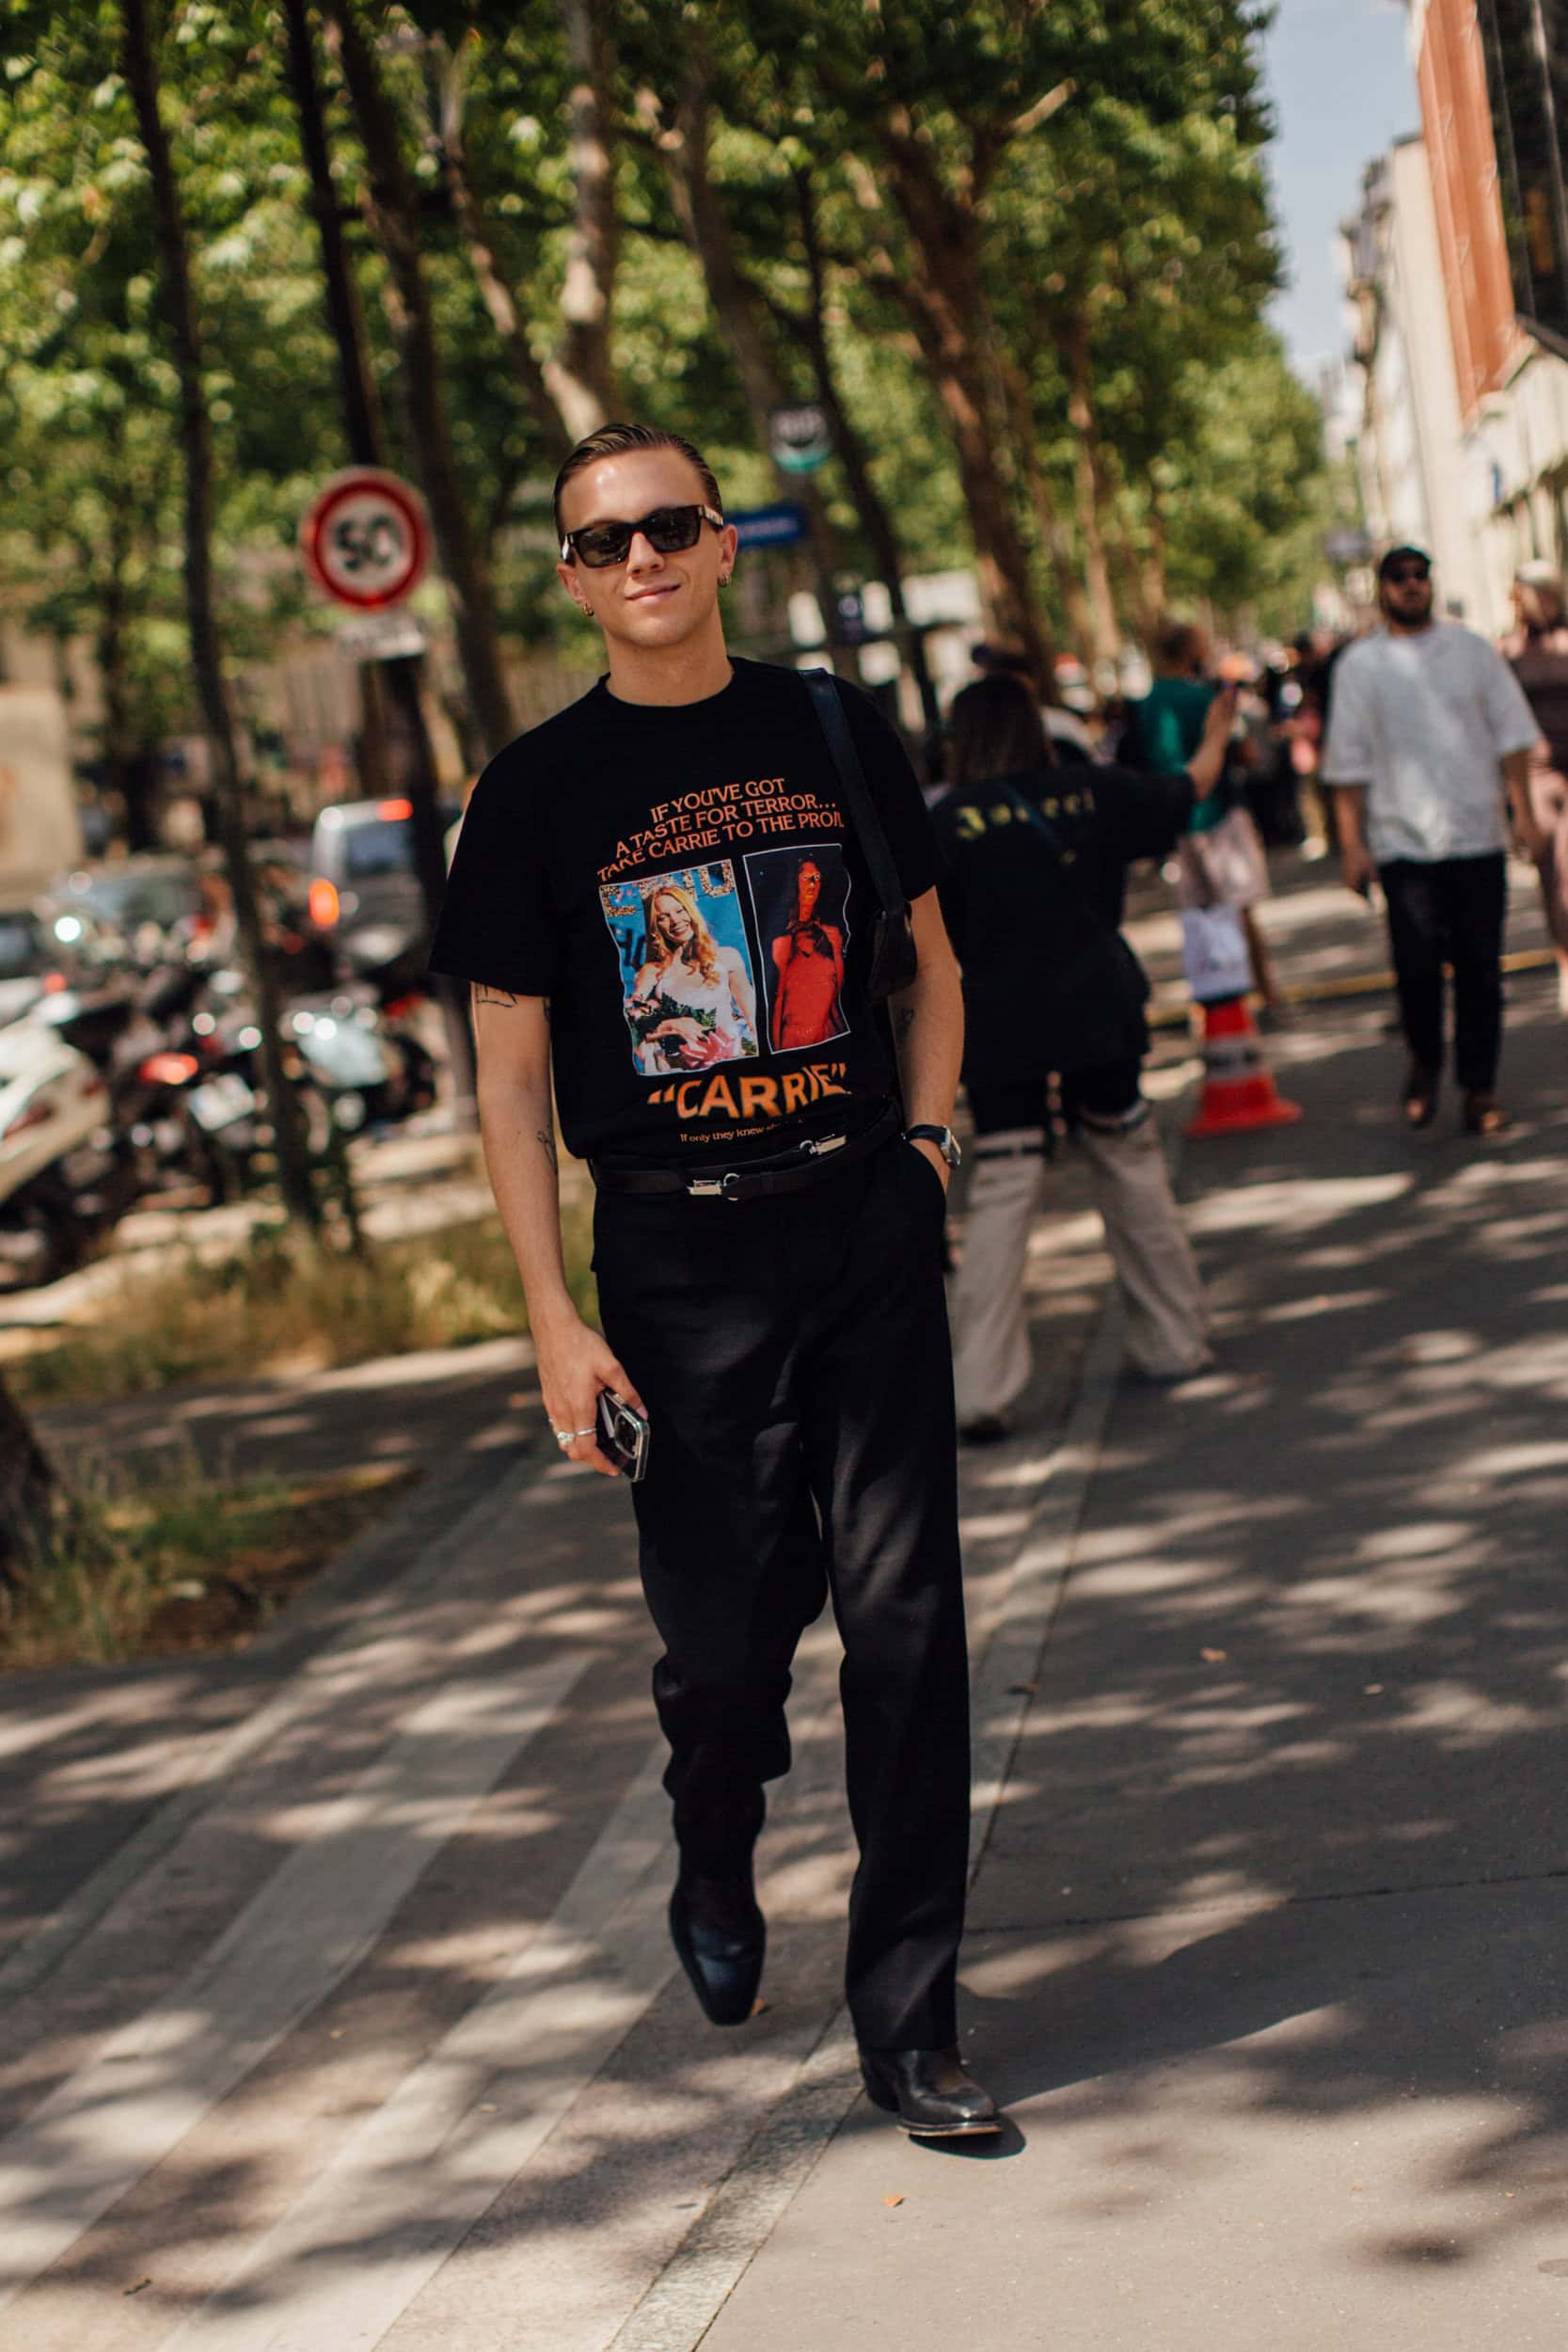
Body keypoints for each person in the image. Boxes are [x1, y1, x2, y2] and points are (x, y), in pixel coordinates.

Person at [430, 421, 997, 2140]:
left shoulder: (828, 727)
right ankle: (712, 1835)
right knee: (727, 1649)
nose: (641, 559)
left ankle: (910, 2026)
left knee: (906, 1629)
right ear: (569, 579)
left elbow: (930, 967)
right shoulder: (531, 795)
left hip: (859, 1227)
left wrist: (922, 1152)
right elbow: (509, 1087)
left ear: (723, 541)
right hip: (674, 1265)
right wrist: (551, 1317)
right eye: (602, 541)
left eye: (668, 526)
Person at [933, 673, 1234, 1438]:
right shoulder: (1095, 790)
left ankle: (979, 1386)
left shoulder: (947, 822)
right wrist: (1217, 731)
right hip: (1098, 1007)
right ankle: (1173, 1340)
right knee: (1127, 1161)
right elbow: (1188, 788)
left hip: (999, 1022)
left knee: (1004, 1188)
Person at [1321, 544, 1540, 1134]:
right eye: (1399, 576)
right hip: (1402, 843)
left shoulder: (1472, 651)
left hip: (1477, 835)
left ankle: (1479, 1089)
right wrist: (1352, 846)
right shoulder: (1360, 666)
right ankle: (1425, 1060)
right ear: (1382, 588)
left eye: (1420, 574)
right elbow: (1347, 764)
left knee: (1480, 969)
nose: (1412, 584)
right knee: (1417, 968)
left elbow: (1513, 735)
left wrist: (1523, 813)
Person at [1136, 619, 1282, 1016]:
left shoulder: (1148, 702)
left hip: (1176, 818)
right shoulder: (1206, 698)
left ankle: (1216, 1005)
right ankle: (1264, 992)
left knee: (1198, 917)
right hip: (1217, 812)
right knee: (1239, 908)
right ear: (1190, 650)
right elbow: (1246, 752)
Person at [1501, 559, 1568, 1015]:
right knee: (1551, 877)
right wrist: (1512, 804)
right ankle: (1564, 962)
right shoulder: (1509, 652)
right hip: (1535, 775)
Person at [626, 880, 757, 1072]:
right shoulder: (654, 971)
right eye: (663, 917)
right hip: (682, 1068)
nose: (675, 921)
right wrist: (670, 1025)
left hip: (732, 1059)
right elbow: (633, 1023)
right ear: (655, 927)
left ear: (691, 912)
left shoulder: (728, 957)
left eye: (680, 911)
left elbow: (754, 1018)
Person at [768, 854, 846, 1049]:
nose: (812, 884)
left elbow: (840, 993)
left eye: (816, 878)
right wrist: (776, 1050)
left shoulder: (832, 935)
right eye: (805, 878)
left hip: (829, 1037)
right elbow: (777, 1001)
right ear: (794, 884)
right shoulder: (782, 942)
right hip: (792, 1040)